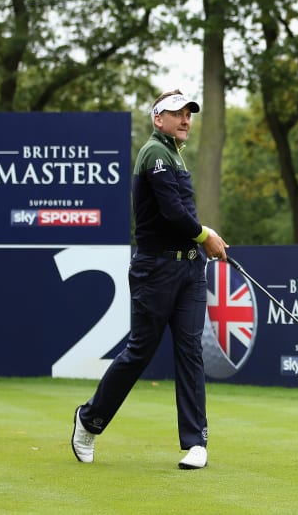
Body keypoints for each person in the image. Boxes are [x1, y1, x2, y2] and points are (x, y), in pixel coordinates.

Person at [71, 89, 228, 470]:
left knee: (190, 352)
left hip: (189, 269)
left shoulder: (174, 154)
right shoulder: (154, 153)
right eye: (177, 113)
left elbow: (180, 215)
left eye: (189, 113)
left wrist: (201, 244)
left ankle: (195, 442)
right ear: (159, 119)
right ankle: (89, 421)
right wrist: (206, 234)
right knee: (140, 351)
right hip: (156, 270)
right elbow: (173, 212)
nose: (185, 119)